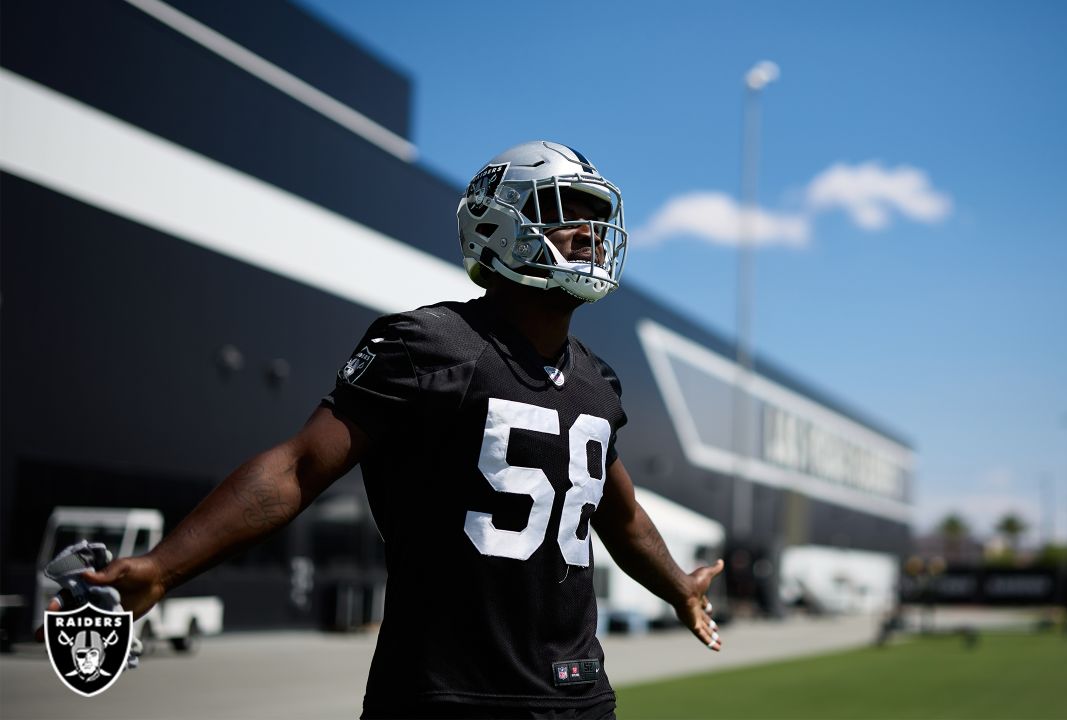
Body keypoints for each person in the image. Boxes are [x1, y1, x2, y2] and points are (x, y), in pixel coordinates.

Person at [45, 141, 725, 719]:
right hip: (447, 695)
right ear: (495, 225)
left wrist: (677, 587)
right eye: (563, 214)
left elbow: (621, 511)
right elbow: (297, 469)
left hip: (579, 695)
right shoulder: (432, 343)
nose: (587, 234)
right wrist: (165, 567)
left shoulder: (597, 379)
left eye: (594, 220)